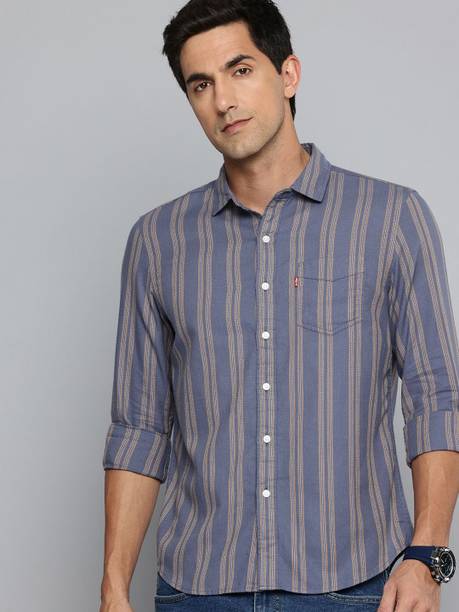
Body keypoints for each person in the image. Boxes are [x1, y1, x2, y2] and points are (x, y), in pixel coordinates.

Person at [99, 1, 459, 610]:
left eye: (240, 70)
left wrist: (427, 558)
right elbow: (139, 427)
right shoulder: (158, 242)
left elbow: (437, 398)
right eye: (201, 84)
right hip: (198, 589)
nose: (223, 100)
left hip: (355, 585)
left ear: (288, 74)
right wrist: (113, 589)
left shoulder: (392, 219)